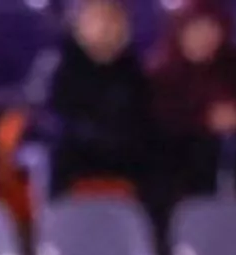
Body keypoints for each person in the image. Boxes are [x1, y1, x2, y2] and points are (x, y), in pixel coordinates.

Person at [36, 0, 158, 202]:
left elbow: (145, 131)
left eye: (112, 19)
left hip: (130, 181)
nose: (105, 28)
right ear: (79, 24)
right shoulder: (60, 72)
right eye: (96, 18)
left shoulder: (136, 76)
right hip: (74, 180)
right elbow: (54, 127)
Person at [148, 0, 236, 202]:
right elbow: (159, 125)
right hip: (180, 178)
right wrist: (204, 121)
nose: (204, 37)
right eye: (196, 28)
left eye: (212, 28)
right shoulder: (162, 75)